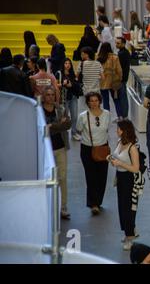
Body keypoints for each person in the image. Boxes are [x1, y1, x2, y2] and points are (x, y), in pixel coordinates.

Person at [76, 92, 111, 215]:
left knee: (102, 177)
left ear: (100, 101)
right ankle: (93, 204)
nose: (94, 103)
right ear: (88, 102)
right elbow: (79, 129)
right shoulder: (83, 116)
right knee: (91, 177)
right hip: (87, 149)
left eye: (96, 100)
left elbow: (107, 129)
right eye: (91, 101)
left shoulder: (107, 114)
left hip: (103, 148)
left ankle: (98, 201)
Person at [110, 119, 141, 250]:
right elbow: (116, 156)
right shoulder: (119, 142)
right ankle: (129, 231)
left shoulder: (132, 148)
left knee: (128, 209)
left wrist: (120, 164)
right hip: (121, 177)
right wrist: (111, 159)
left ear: (125, 131)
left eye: (119, 129)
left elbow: (135, 168)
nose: (117, 131)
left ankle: (130, 236)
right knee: (122, 207)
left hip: (129, 179)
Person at [42, 86, 71, 220]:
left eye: (52, 94)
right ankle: (47, 207)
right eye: (47, 95)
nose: (50, 97)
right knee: (46, 179)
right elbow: (41, 130)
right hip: (44, 150)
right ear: (43, 96)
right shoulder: (38, 111)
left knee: (62, 178)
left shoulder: (61, 109)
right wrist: (59, 124)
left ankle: (63, 207)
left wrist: (52, 126)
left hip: (60, 148)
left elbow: (67, 125)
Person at [97, 42, 123, 119]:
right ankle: (120, 116)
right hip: (113, 81)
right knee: (116, 100)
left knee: (105, 100)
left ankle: (106, 117)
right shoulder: (115, 57)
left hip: (103, 81)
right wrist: (120, 78)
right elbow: (119, 70)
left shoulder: (99, 58)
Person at [61, 58, 82, 141]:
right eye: (66, 63)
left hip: (73, 97)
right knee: (65, 117)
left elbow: (77, 86)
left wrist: (71, 85)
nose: (67, 65)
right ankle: (64, 133)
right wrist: (63, 84)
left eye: (69, 63)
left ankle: (74, 132)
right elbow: (56, 84)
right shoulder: (59, 74)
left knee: (74, 116)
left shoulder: (73, 74)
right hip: (64, 98)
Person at [116, 37, 131, 119]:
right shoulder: (124, 52)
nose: (116, 44)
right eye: (116, 43)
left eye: (118, 43)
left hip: (121, 79)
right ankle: (123, 115)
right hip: (123, 78)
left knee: (122, 97)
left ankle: (124, 115)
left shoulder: (122, 54)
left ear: (123, 44)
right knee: (122, 97)